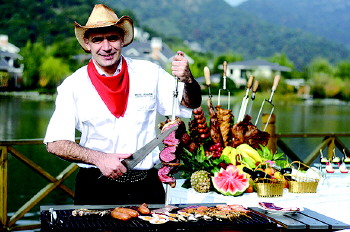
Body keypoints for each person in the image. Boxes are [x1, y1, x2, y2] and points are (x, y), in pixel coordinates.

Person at [44, 4, 202, 205]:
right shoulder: (73, 85)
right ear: (87, 43)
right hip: (95, 185)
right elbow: (55, 143)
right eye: (97, 40)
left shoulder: (149, 73)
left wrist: (188, 80)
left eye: (112, 38)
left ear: (122, 40)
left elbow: (191, 103)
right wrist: (99, 159)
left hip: (146, 185)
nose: (106, 47)